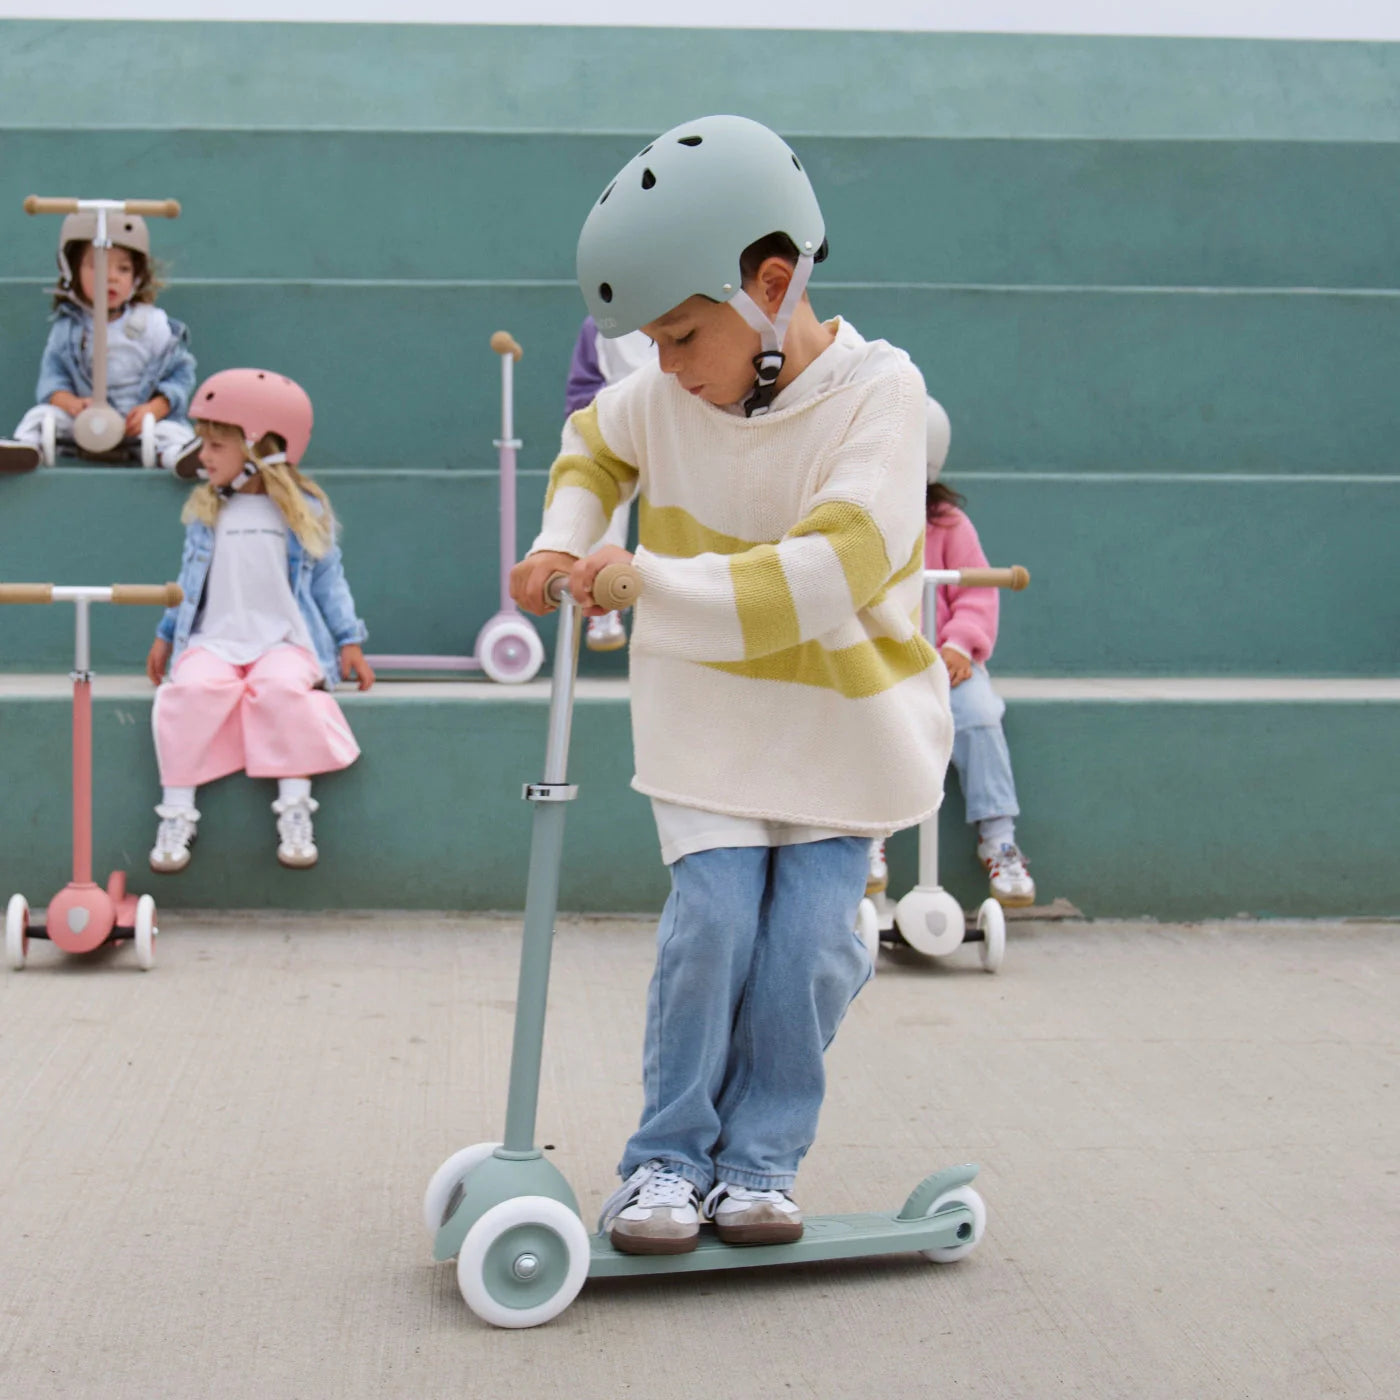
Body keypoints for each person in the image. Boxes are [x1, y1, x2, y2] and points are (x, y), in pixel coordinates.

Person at [510, 116, 952, 1255]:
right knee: (710, 924)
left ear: (769, 285)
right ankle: (664, 1159)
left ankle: (758, 1159)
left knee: (805, 943)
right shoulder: (669, 395)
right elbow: (590, 444)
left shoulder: (878, 398)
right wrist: (566, 536)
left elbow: (826, 576)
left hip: (837, 726)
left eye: (679, 334)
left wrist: (641, 575)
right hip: (710, 709)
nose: (662, 365)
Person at [145, 369, 373, 874]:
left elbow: (328, 581)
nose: (202, 457)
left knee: (283, 693)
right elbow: (186, 582)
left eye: (216, 446)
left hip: (283, 643)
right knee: (187, 694)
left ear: (256, 447)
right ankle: (177, 812)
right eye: (202, 444)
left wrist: (348, 640)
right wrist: (166, 636)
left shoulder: (301, 511)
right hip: (215, 641)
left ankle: (295, 809)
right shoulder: (209, 509)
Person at [921, 400, 1035, 906]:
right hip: (883, 661)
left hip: (949, 661)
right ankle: (865, 841)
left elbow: (976, 593)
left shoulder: (947, 525)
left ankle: (999, 838)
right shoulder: (857, 521)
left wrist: (958, 644)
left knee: (980, 715)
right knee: (865, 721)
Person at [0, 210, 199, 474]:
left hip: (137, 426)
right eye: (98, 266)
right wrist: (70, 403)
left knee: (171, 433)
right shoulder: (68, 328)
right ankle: (27, 450)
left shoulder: (153, 324)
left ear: (137, 277)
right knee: (40, 417)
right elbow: (53, 378)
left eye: (124, 268)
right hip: (84, 423)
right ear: (73, 271)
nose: (112, 276)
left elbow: (179, 375)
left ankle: (177, 458)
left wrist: (154, 408)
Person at [563, 316, 656, 651]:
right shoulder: (600, 325)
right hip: (616, 431)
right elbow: (582, 388)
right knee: (602, 502)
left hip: (674, 431)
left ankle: (682, 612)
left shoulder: (685, 308)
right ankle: (604, 610)